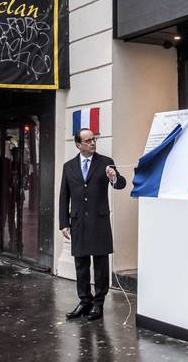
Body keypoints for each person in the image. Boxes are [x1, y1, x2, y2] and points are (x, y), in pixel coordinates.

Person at [59, 127, 127, 321]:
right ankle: (84, 301)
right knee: (81, 264)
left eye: (94, 139)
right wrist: (64, 222)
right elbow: (64, 196)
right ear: (78, 144)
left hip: (99, 221)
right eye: (88, 140)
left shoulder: (106, 162)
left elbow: (120, 184)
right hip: (78, 221)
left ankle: (98, 303)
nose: (92, 143)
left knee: (100, 265)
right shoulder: (69, 166)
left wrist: (113, 176)